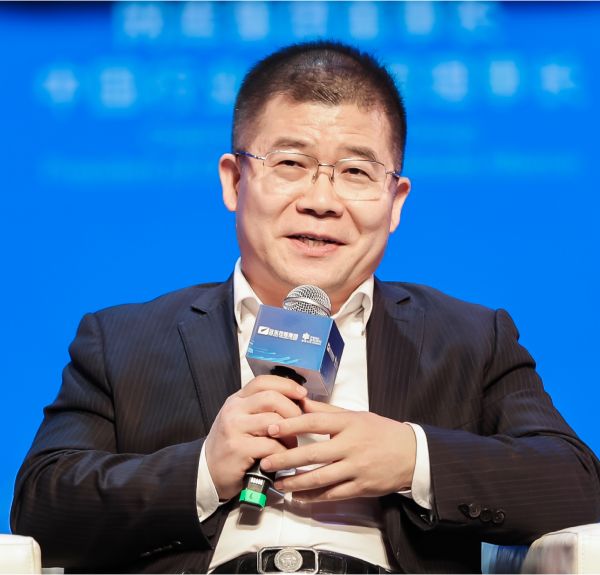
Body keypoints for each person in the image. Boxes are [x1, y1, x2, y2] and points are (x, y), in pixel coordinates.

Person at [11, 41, 600, 574]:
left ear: (395, 201)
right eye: (290, 163)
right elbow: (41, 505)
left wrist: (412, 459)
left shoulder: (470, 338)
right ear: (233, 181)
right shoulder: (124, 339)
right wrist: (202, 471)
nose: (321, 201)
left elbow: (576, 483)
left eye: (356, 172)